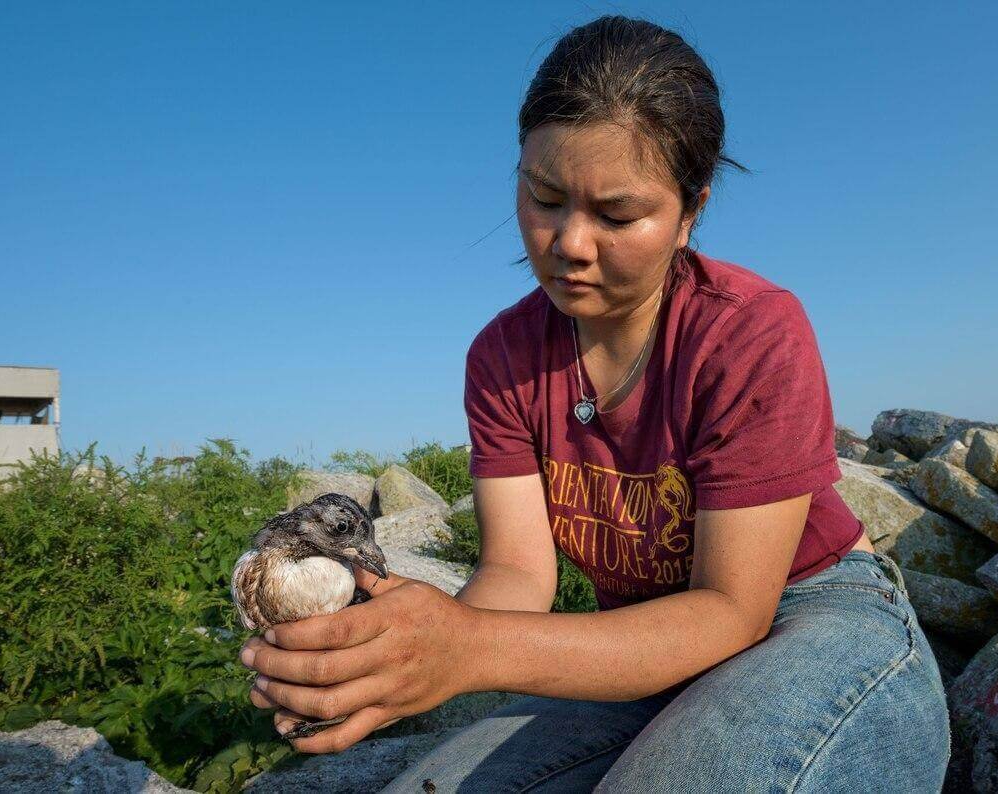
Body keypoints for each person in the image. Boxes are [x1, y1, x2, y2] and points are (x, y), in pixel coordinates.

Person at [239, 14, 950, 792]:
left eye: (617, 215)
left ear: (691, 212)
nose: (569, 242)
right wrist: (400, 638)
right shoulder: (503, 358)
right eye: (544, 195)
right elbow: (517, 575)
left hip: (812, 614)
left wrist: (469, 651)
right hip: (631, 644)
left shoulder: (750, 333)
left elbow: (730, 611)